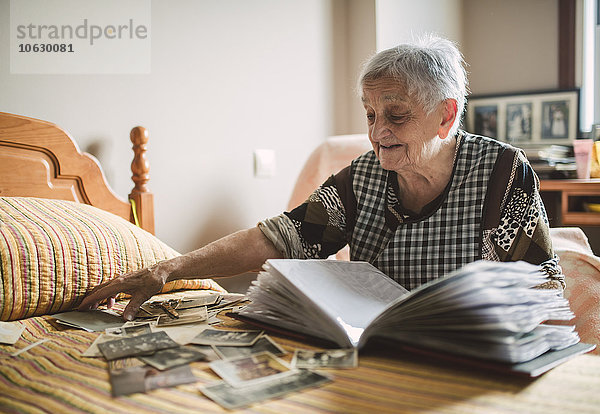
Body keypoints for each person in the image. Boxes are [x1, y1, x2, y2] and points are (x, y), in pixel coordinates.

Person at [79, 35, 564, 321]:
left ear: (445, 117)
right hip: (377, 342)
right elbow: (282, 236)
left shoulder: (501, 173)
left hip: (467, 346)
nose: (376, 133)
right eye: (370, 113)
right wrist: (168, 269)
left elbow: (541, 293)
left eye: (394, 115)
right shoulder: (365, 177)